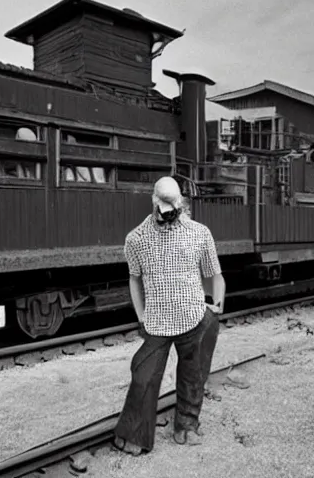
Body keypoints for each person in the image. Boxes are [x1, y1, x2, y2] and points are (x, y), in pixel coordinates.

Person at [113, 176, 226, 456]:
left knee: (193, 373)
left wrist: (218, 302)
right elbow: (134, 280)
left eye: (173, 208)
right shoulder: (136, 239)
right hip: (156, 321)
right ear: (154, 201)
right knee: (144, 374)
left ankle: (187, 426)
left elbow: (216, 274)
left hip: (194, 316)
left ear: (181, 203)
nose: (168, 214)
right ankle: (134, 434)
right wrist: (141, 316)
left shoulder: (200, 233)